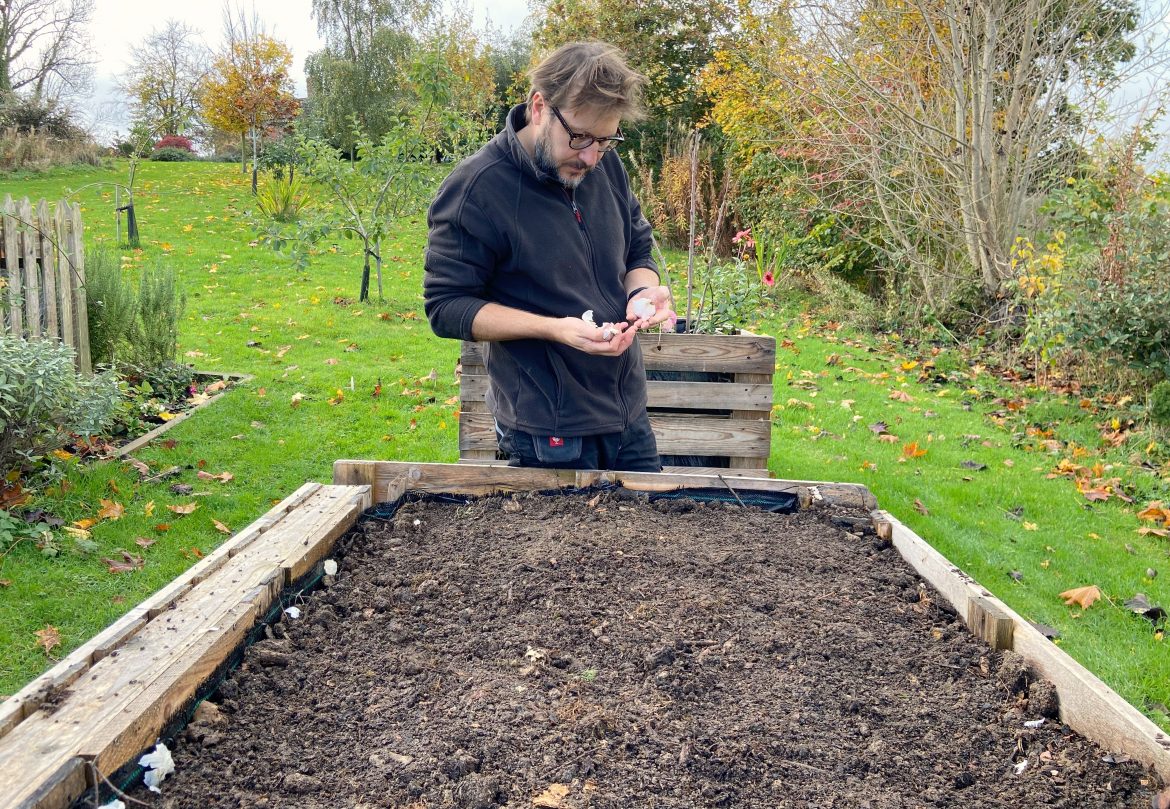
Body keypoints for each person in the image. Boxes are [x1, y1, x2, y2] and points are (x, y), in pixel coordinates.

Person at [424, 41, 674, 472]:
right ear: (540, 106)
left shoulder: (604, 166)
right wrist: (555, 330)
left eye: (605, 140)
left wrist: (642, 294)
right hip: (545, 430)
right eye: (579, 137)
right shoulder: (476, 190)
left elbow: (637, 247)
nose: (591, 157)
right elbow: (447, 307)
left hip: (628, 416)